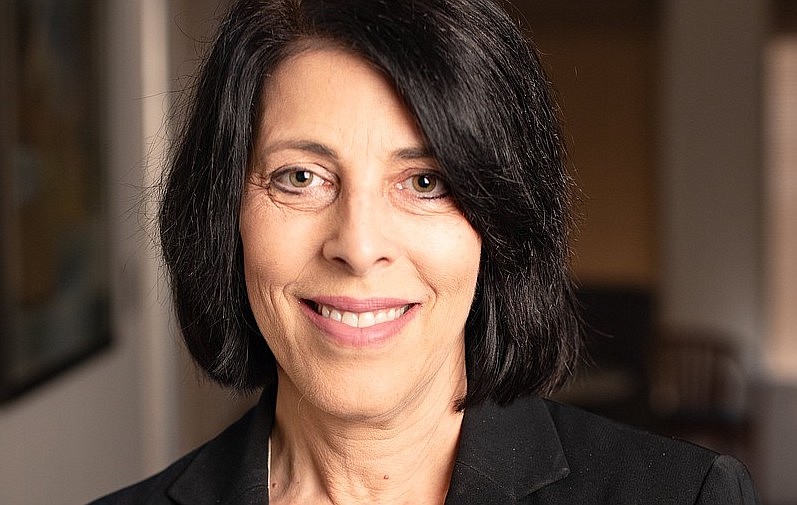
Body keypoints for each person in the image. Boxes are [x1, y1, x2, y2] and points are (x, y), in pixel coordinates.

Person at [93, 0, 759, 503]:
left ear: (500, 222)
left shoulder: (685, 496)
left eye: (424, 182)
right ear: (223, 209)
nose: (358, 246)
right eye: (300, 177)